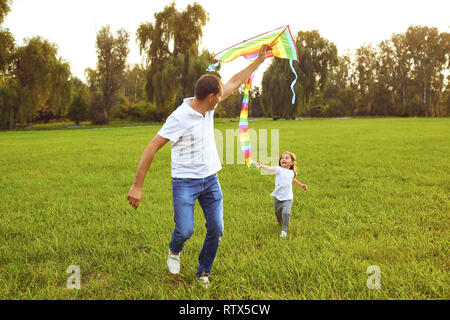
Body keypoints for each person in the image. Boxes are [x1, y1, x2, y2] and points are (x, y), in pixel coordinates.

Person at [127, 45, 270, 287]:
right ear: (212, 97)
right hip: (184, 182)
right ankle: (175, 249)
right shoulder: (179, 118)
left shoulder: (209, 107)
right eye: (220, 94)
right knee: (185, 230)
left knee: (217, 228)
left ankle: (203, 272)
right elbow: (152, 147)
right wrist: (136, 186)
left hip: (210, 179)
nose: (223, 96)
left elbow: (234, 81)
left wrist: (259, 60)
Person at [256, 151, 307, 238]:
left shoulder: (292, 173)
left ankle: (285, 229)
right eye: (282, 158)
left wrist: (301, 185)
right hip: (278, 197)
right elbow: (270, 168)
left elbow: (293, 181)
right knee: (278, 214)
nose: (283, 159)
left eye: (286, 158)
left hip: (287, 197)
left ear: (292, 162)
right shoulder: (279, 169)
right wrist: (262, 166)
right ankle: (280, 224)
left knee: (286, 213)